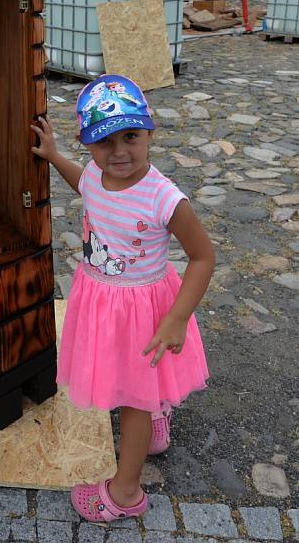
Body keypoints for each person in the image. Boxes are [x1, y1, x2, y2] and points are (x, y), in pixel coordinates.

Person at [31, 75, 213, 523]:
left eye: (130, 136)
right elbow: (87, 186)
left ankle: (126, 491)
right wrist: (55, 156)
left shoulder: (165, 198)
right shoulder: (96, 173)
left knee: (131, 398)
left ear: (149, 131)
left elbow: (203, 257)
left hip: (144, 312)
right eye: (104, 141)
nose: (119, 152)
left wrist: (176, 318)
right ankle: (154, 423)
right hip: (103, 302)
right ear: (88, 144)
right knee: (132, 386)